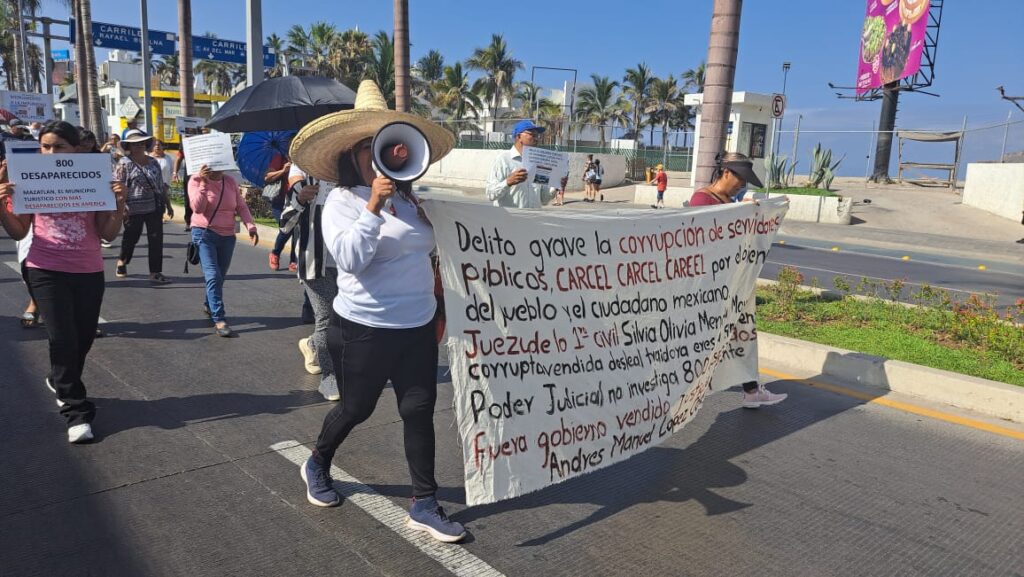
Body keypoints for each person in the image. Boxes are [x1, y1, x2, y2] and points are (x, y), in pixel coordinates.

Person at [290, 79, 466, 543]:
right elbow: (349, 259)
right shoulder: (341, 203)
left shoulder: (412, 202)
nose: (385, 156)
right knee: (356, 407)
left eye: (388, 146)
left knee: (419, 410)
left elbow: (430, 252)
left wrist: (436, 225)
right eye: (371, 148)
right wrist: (373, 205)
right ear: (352, 155)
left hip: (417, 327)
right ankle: (317, 462)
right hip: (363, 329)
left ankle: (424, 503)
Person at [0, 121, 127, 443]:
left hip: (88, 270)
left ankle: (59, 379)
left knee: (83, 338)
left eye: (59, 146)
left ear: (76, 150)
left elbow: (107, 234)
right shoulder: (27, 180)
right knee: (62, 338)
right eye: (45, 146)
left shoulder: (95, 180)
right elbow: (19, 232)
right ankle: (76, 411)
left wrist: (119, 203)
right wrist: (2, 203)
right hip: (44, 268)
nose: (51, 152)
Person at [688, 153, 785, 409]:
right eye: (740, 178)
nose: (742, 185)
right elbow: (702, 240)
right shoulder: (702, 199)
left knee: (743, 335)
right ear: (727, 173)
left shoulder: (730, 201)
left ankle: (752, 390)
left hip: (731, 284)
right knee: (706, 340)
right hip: (709, 287)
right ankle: (674, 388)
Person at [280, 163, 340, 401]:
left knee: (345, 320)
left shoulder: (355, 179)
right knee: (327, 319)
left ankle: (313, 345)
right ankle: (330, 375)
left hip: (351, 264)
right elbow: (285, 224)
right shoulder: (305, 182)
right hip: (315, 262)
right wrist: (300, 200)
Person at [189, 163, 259, 337]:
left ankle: (209, 303)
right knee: (213, 274)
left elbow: (241, 206)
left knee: (220, 275)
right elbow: (198, 208)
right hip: (204, 233)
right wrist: (204, 183)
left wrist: (250, 226)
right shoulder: (195, 180)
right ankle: (219, 318)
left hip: (228, 235)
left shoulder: (229, 181)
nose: (218, 170)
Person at [113, 130, 173, 284]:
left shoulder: (153, 163)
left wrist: (168, 204)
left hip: (154, 206)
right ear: (129, 146)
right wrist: (121, 207)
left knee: (156, 239)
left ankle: (155, 272)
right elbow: (118, 186)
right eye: (135, 144)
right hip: (132, 208)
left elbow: (160, 186)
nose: (138, 146)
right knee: (131, 237)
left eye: (141, 143)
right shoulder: (124, 163)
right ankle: (122, 260)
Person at [485, 119, 567, 208]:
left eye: (537, 135)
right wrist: (508, 182)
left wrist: (555, 186)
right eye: (532, 135)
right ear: (519, 136)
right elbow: (490, 194)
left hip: (533, 219)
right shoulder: (503, 160)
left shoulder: (539, 162)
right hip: (509, 219)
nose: (536, 138)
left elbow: (543, 199)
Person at [265, 153, 297, 272]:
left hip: (298, 202)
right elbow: (267, 177)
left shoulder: (304, 160)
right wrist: (283, 170)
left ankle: (294, 260)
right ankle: (275, 253)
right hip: (280, 202)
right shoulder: (280, 158)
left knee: (297, 229)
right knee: (286, 228)